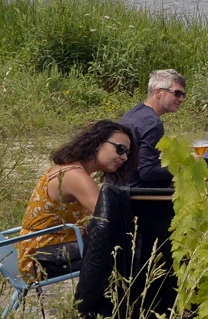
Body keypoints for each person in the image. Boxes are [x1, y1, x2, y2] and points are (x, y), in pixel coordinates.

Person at [16, 120, 133, 281]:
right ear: (98, 143)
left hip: (39, 251)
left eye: (127, 152)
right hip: (40, 259)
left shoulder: (69, 168)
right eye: (120, 149)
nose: (125, 157)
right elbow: (111, 216)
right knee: (126, 248)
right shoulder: (75, 176)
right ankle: (98, 304)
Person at [117, 69, 185, 187]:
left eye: (183, 95)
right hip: (139, 195)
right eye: (177, 93)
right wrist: (182, 167)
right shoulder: (152, 124)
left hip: (119, 187)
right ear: (158, 93)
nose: (181, 99)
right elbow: (147, 171)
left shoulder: (134, 113)